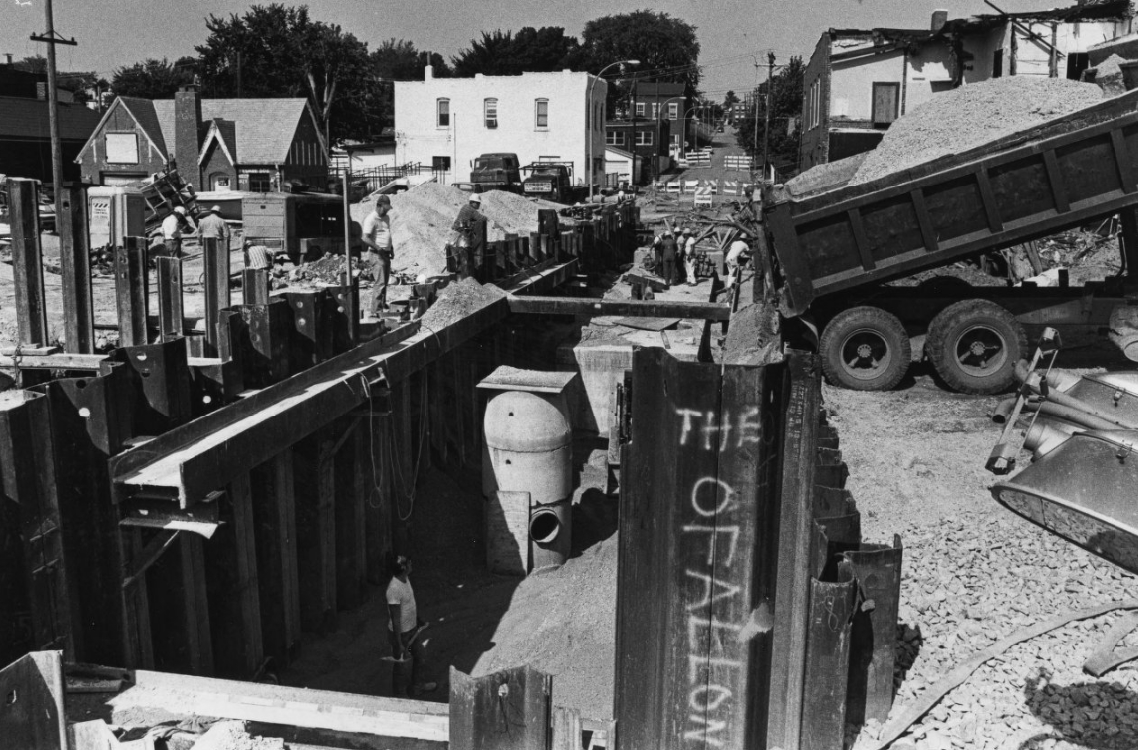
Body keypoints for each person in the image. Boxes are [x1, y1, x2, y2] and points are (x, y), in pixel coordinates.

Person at [386, 555, 437, 697]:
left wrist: (417, 620)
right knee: (401, 665)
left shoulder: (405, 580)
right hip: (401, 634)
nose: (411, 564)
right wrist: (398, 642)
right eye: (409, 563)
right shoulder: (394, 589)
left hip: (412, 630)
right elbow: (395, 618)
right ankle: (400, 697)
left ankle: (417, 687)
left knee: (420, 656)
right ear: (403, 568)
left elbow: (409, 605)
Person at [361, 194, 394, 315]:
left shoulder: (386, 218)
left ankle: (381, 306)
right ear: (379, 206)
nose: (386, 211)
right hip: (376, 254)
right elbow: (365, 238)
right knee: (379, 283)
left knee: (384, 282)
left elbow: (387, 234)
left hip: (385, 253)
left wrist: (391, 248)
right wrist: (378, 248)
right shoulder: (371, 219)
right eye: (385, 209)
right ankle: (376, 312)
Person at [451, 194, 487, 275]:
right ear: (473, 202)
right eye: (477, 203)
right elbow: (482, 218)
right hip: (461, 233)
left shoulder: (465, 207)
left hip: (456, 232)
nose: (479, 205)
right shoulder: (471, 210)